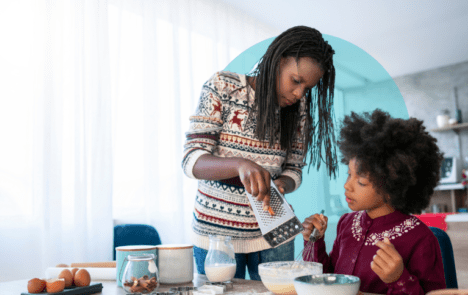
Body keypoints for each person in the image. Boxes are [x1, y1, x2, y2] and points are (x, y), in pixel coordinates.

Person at [182, 26, 338, 280]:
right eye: (296, 81)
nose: (300, 94)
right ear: (277, 62)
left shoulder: (299, 111)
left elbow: (294, 170)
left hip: (276, 232)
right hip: (218, 237)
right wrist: (240, 164)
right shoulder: (222, 86)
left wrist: (280, 185)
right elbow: (192, 160)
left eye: (307, 88)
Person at [302, 109, 446, 294]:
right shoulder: (346, 223)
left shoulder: (420, 239)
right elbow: (329, 281)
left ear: (391, 186)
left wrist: (399, 279)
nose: (347, 186)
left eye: (361, 181)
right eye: (349, 175)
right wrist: (314, 242)